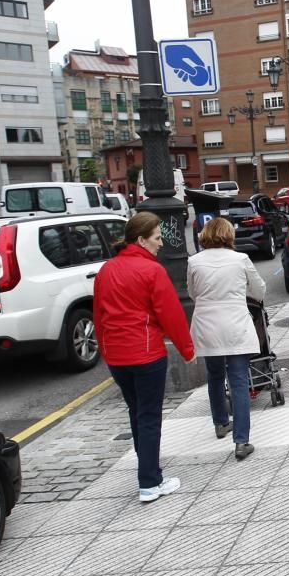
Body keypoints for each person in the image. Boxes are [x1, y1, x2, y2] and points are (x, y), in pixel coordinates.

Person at [94, 212, 196, 503]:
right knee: (149, 417)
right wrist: (187, 350)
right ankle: (150, 482)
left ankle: (148, 468)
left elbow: (99, 315)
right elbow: (171, 314)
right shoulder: (151, 271)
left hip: (117, 356)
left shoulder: (106, 270)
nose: (161, 244)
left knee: (136, 413)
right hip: (146, 352)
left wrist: (104, 349)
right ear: (141, 239)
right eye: (157, 238)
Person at [187, 218, 267, 460]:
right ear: (229, 235)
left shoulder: (194, 261)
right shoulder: (240, 259)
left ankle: (221, 422)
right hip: (235, 325)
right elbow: (260, 290)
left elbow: (192, 293)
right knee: (239, 381)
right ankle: (241, 441)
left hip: (207, 325)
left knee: (214, 375)